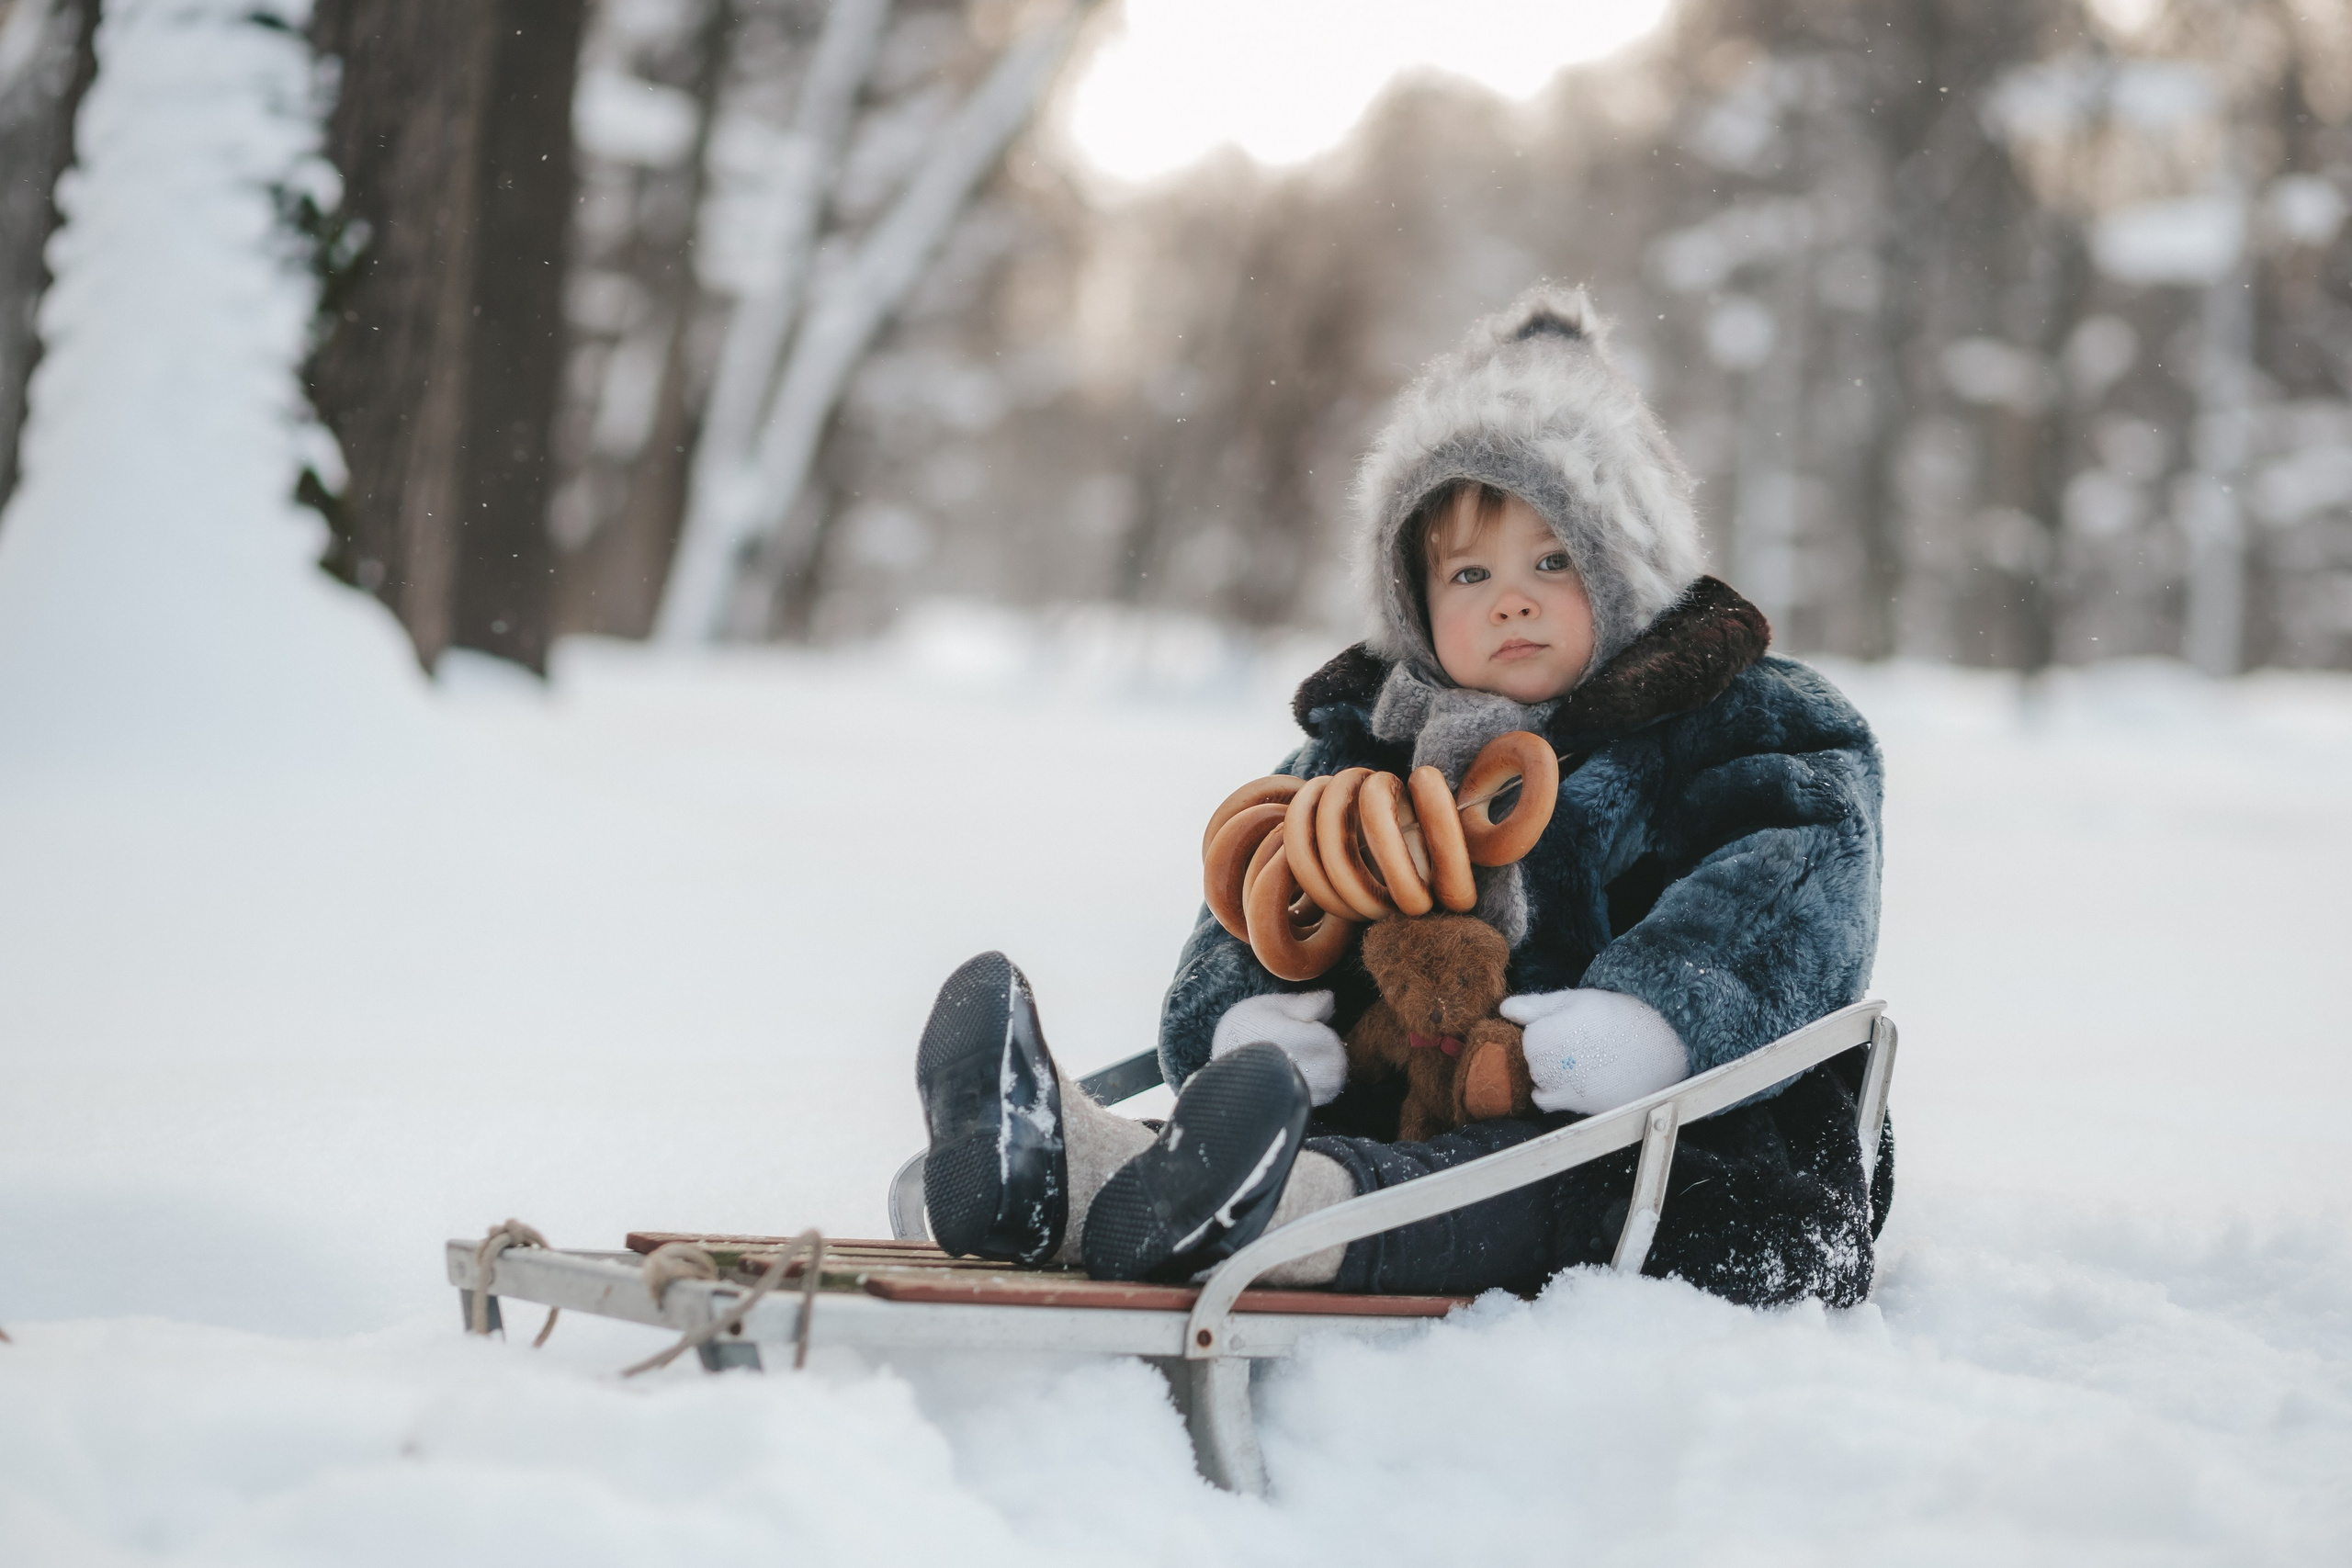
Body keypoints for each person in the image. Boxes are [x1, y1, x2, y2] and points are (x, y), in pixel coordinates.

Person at [915, 286, 1891, 1307]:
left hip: (1689, 1158)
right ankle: (1057, 1175)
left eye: (1553, 561)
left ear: (1632, 567)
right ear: (1412, 600)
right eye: (1468, 575)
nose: (1510, 598)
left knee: (1537, 1180)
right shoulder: (1366, 750)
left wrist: (1648, 1022)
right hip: (1405, 1111)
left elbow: (1797, 871)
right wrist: (1249, 1023)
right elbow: (1260, 900)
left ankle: (1283, 1215)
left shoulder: (1740, 720)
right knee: (1337, 1153)